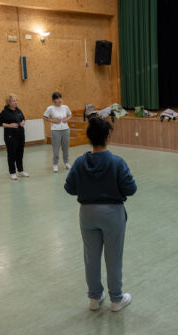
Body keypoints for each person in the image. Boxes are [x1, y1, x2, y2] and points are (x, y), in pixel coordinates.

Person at [64, 117, 137, 312]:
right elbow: (131, 189)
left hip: (87, 213)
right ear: (108, 136)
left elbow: (69, 188)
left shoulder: (80, 162)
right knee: (113, 257)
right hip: (112, 214)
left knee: (91, 257)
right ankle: (116, 299)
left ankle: (94, 298)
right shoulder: (117, 162)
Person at [0, 94, 29, 180]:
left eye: (16, 100)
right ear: (9, 103)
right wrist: (9, 125)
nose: (15, 102)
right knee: (12, 154)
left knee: (20, 153)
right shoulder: (4, 112)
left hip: (20, 134)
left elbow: (23, 118)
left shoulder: (18, 110)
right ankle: (12, 172)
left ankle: (20, 170)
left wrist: (23, 122)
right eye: (13, 101)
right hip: (10, 136)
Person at [44, 92, 72, 173]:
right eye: (57, 98)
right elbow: (45, 117)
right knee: (56, 148)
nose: (59, 100)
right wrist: (53, 120)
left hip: (66, 129)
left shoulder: (65, 107)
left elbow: (70, 115)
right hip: (55, 130)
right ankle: (55, 164)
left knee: (65, 147)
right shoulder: (50, 108)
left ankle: (66, 163)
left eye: (60, 98)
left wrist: (67, 119)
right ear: (53, 100)